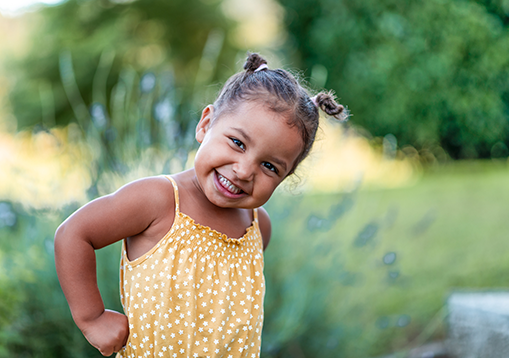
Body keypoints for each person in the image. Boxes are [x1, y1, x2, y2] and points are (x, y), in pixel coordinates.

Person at [54, 53, 348, 358]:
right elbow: (75, 233)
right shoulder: (159, 200)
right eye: (237, 143)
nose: (245, 171)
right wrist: (93, 318)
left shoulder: (258, 227)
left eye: (270, 166)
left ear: (286, 177)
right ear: (205, 124)